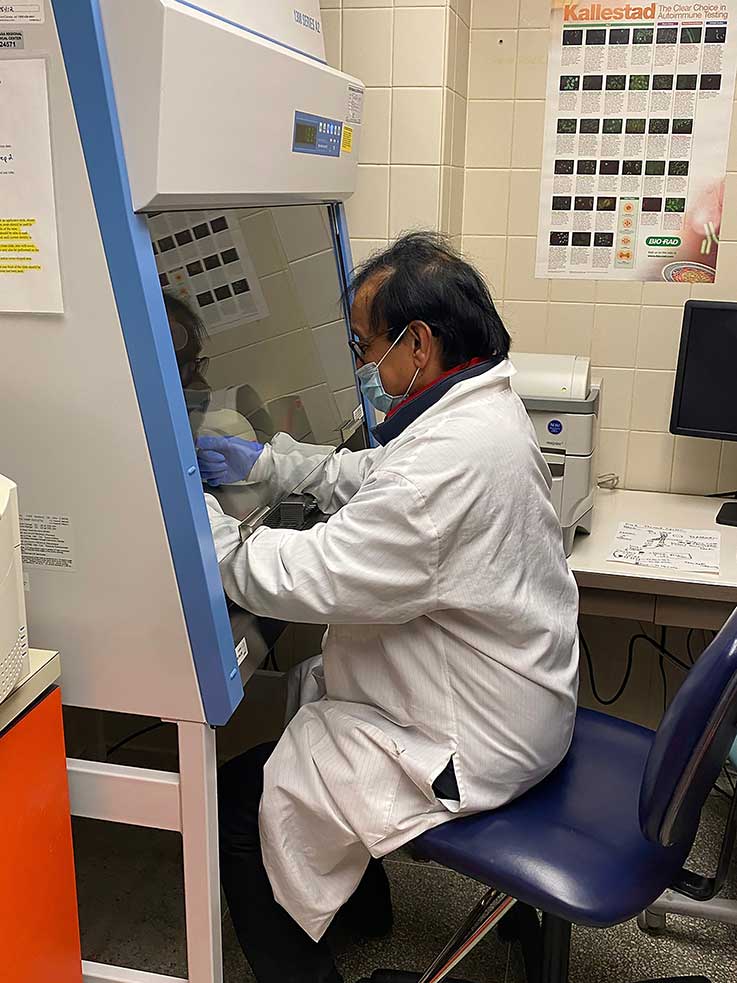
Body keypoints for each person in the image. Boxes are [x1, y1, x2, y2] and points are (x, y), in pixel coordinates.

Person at [201, 232, 580, 983]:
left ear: (416, 343)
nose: (360, 365)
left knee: (242, 802)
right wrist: (276, 465)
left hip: (473, 743)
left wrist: (201, 533)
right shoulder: (478, 413)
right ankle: (365, 912)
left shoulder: (445, 465)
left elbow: (308, 575)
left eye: (362, 345)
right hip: (517, 699)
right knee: (317, 689)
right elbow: (374, 475)